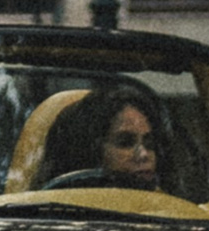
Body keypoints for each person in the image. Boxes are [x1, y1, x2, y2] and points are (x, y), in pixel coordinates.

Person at [40, 77, 180, 195]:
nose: (143, 155)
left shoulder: (174, 211)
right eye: (125, 143)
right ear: (90, 151)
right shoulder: (51, 212)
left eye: (150, 144)